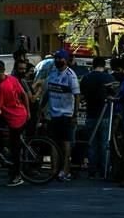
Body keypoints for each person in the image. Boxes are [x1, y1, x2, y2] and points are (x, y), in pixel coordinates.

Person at [0, 59, 30, 187]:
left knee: (14, 148)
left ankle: (17, 175)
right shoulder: (11, 79)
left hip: (14, 118)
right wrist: (28, 111)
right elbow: (24, 95)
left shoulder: (3, 88)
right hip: (21, 113)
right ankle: (2, 149)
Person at [45, 49, 80, 181]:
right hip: (54, 115)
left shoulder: (71, 76)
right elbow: (47, 93)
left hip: (66, 115)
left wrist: (75, 115)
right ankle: (54, 170)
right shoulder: (52, 73)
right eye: (56, 58)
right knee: (53, 143)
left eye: (61, 58)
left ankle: (65, 170)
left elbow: (77, 96)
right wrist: (42, 110)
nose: (58, 61)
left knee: (66, 144)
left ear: (66, 60)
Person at [80, 56, 115, 180]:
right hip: (105, 114)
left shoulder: (86, 78)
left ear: (93, 65)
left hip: (91, 114)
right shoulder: (109, 78)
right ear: (104, 65)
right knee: (105, 143)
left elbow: (82, 95)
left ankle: (92, 170)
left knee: (92, 143)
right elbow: (114, 94)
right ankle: (104, 169)